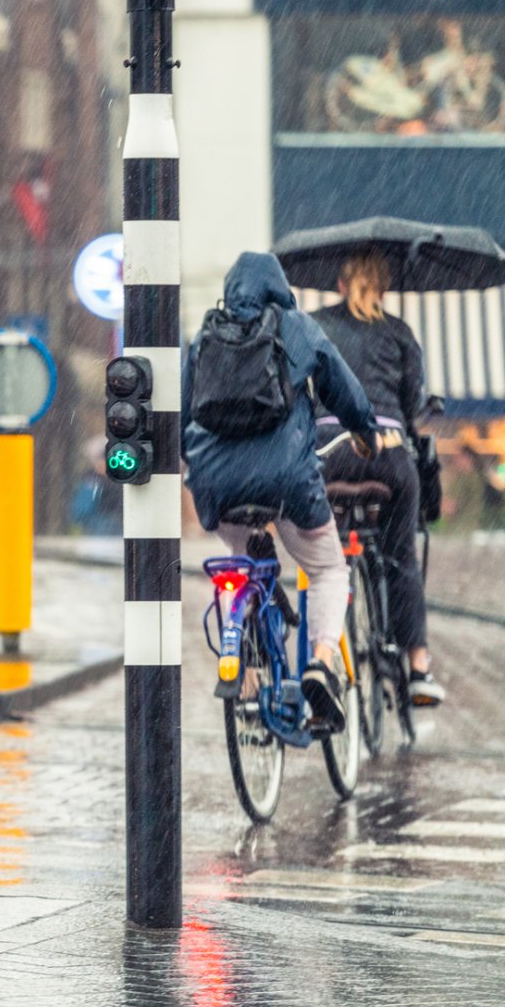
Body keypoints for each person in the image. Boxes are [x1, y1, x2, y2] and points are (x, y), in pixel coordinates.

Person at [181, 252, 378, 728]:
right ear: (279, 288)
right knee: (329, 567)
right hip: (285, 479)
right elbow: (343, 390)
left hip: (215, 482)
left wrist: (188, 465)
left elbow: (179, 411)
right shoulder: (297, 327)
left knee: (242, 565)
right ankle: (322, 663)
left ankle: (247, 682)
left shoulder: (202, 340)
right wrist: (364, 430)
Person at [311, 252, 443, 706]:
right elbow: (411, 406)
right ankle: (419, 667)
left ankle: (320, 658)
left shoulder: (314, 327)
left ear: (341, 283)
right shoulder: (399, 332)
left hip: (329, 456)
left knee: (322, 564)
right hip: (387, 456)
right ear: (383, 288)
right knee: (401, 555)